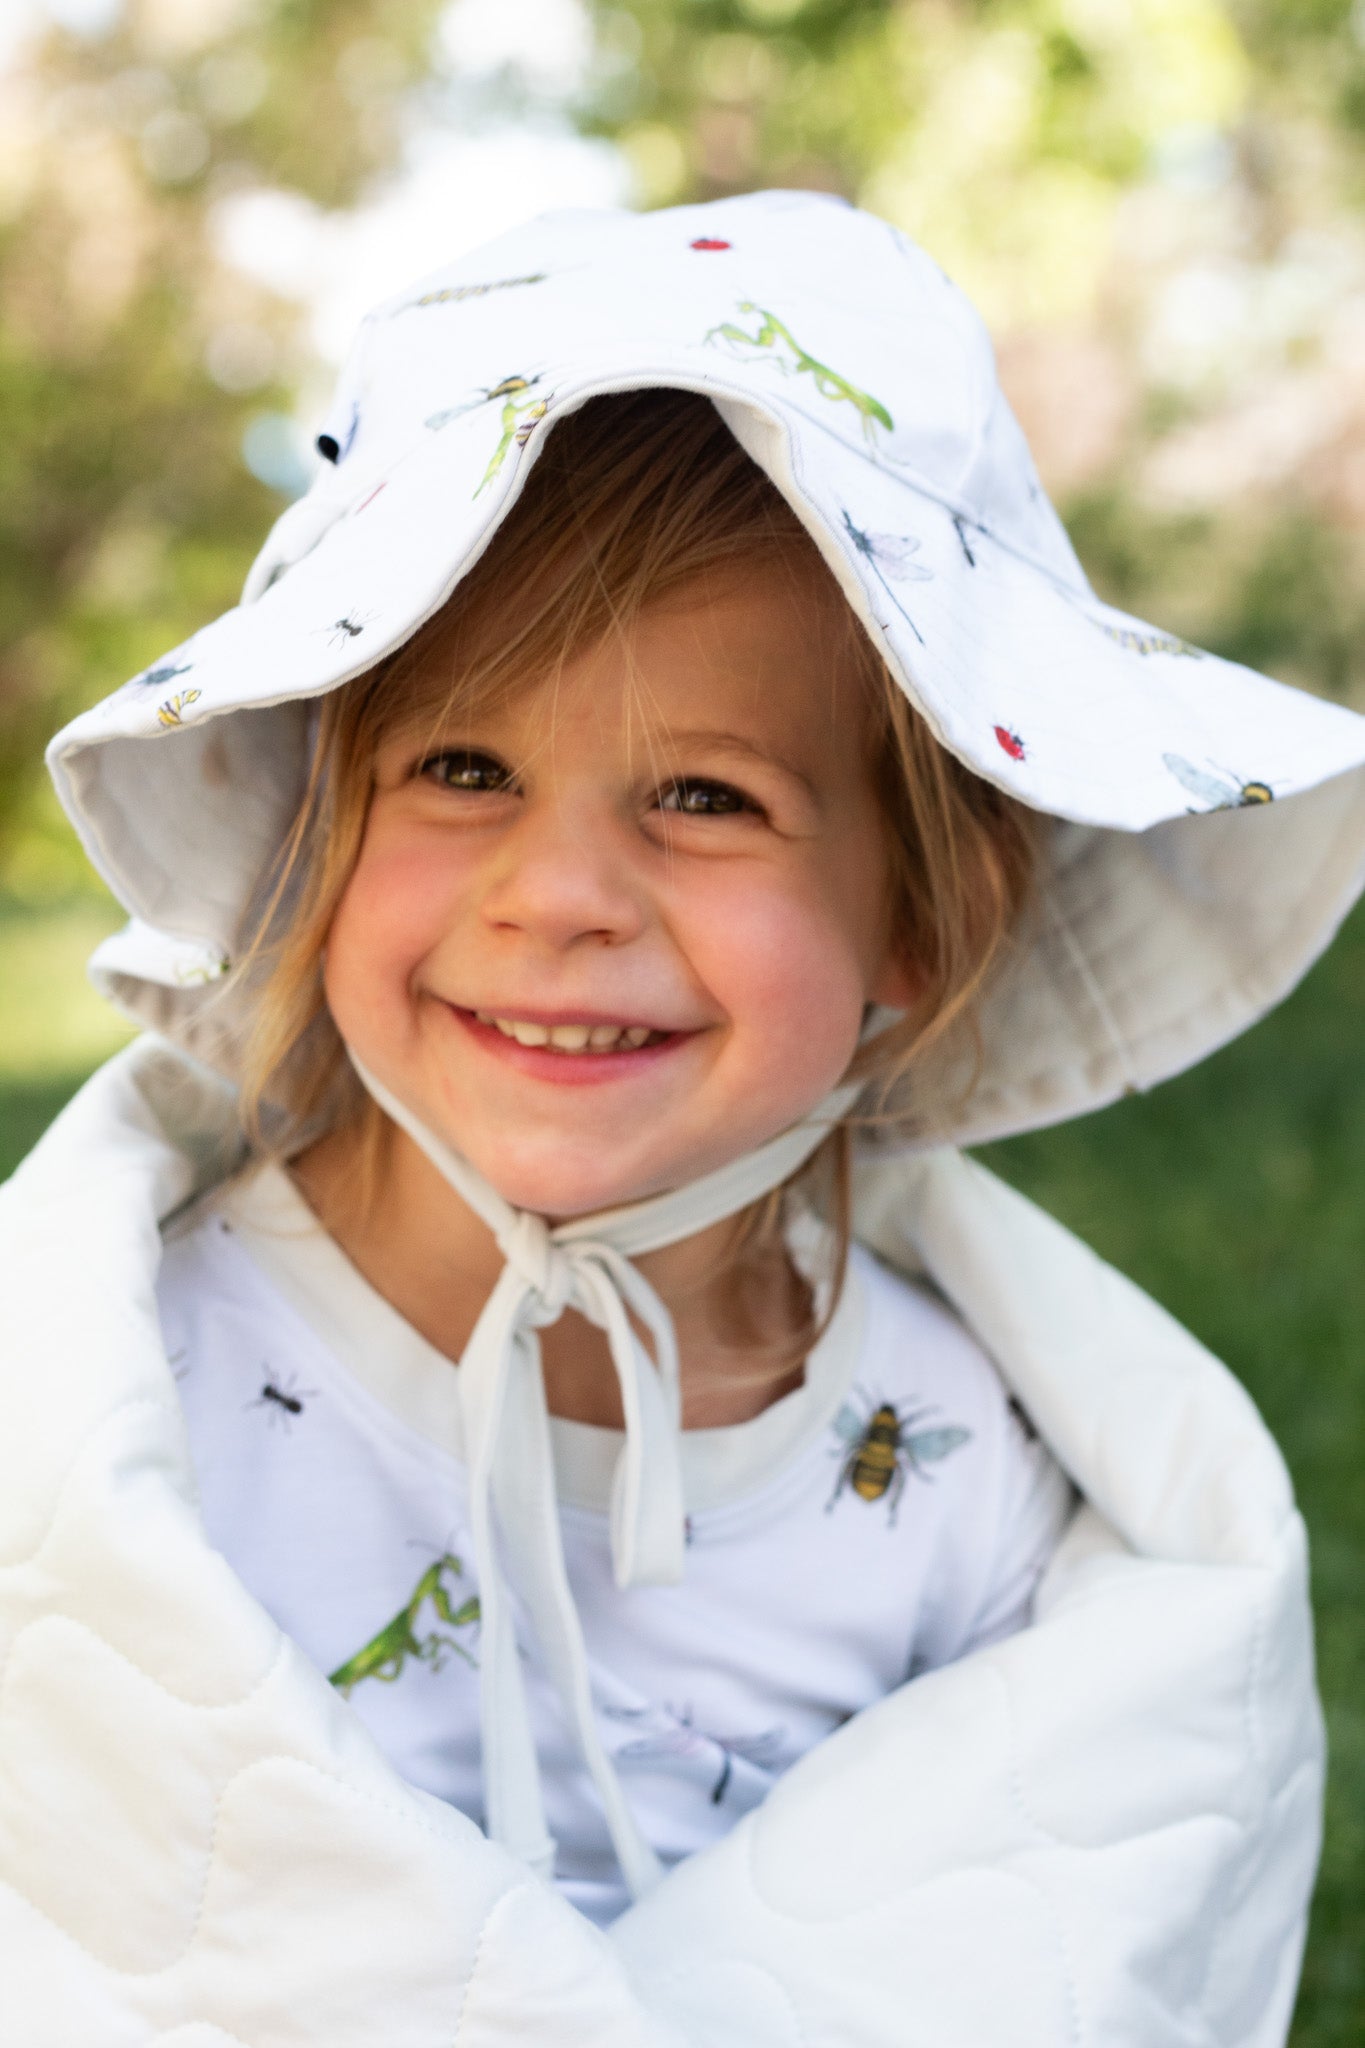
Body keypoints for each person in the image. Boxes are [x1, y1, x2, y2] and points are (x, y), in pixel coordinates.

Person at [5, 189, 1365, 2044]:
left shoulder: (961, 1480)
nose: (558, 893)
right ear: (321, 838)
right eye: (462, 769)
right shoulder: (127, 1386)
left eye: (708, 798)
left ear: (914, 912)